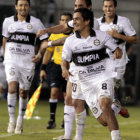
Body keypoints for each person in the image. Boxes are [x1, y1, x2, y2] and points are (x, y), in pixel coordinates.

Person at [62, 8, 122, 140]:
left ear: (87, 21)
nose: (74, 22)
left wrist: (117, 51)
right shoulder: (70, 41)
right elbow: (64, 60)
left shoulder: (102, 36)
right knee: (104, 121)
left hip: (103, 76)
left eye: (77, 19)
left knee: (105, 104)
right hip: (86, 83)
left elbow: (116, 48)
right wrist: (64, 69)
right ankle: (116, 107)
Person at [2, 0, 49, 134]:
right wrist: (6, 57)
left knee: (23, 92)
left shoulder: (36, 22)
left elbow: (45, 41)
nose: (23, 7)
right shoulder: (7, 21)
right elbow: (5, 39)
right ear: (16, 7)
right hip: (12, 61)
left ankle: (20, 122)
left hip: (28, 63)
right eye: (20, 5)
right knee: (11, 87)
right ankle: (11, 121)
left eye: (26, 5)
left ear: (29, 7)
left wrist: (39, 54)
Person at [97, 0, 138, 117]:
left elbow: (135, 39)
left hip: (118, 62)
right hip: (102, 62)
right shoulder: (98, 22)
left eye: (110, 6)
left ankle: (112, 115)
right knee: (103, 93)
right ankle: (117, 107)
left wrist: (118, 36)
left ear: (115, 7)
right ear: (102, 8)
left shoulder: (123, 21)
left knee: (111, 92)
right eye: (105, 6)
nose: (108, 9)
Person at [40, 12, 73, 129]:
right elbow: (48, 52)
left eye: (67, 20)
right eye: (62, 20)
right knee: (53, 92)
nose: (64, 22)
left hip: (70, 68)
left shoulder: (75, 34)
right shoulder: (54, 35)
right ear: (59, 22)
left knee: (67, 96)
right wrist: (43, 68)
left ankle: (66, 120)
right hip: (55, 67)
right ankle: (52, 120)